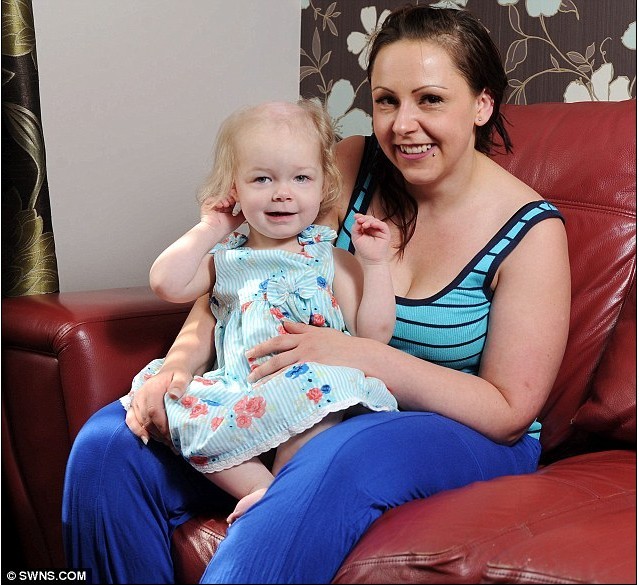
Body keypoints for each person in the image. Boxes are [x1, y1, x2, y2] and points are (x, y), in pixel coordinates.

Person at [62, 5, 571, 584]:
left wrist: (361, 356)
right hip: (305, 397)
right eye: (386, 100)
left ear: (482, 104)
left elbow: (508, 413)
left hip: (456, 430)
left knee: (336, 455)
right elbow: (249, 277)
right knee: (112, 443)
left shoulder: (532, 231)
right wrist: (178, 366)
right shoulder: (350, 165)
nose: (403, 124)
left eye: (430, 99)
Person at [120, 99, 398, 525]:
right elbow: (166, 283)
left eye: (301, 178)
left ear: (324, 183)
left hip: (306, 389)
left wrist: (375, 265)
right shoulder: (226, 261)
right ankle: (259, 489)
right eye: (262, 178)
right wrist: (211, 227)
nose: (282, 192)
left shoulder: (330, 258)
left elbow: (373, 335)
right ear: (235, 188)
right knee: (168, 404)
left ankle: (288, 491)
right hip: (241, 392)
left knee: (318, 400)